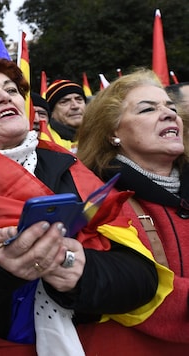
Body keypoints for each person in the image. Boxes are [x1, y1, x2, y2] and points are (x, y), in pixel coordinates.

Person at [0, 57, 172, 355]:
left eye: (12, 90)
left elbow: (143, 278)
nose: (5, 96)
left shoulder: (72, 169)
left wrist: (83, 273)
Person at [77, 69, 189, 343]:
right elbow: (133, 298)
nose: (168, 114)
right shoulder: (98, 204)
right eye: (147, 109)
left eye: (170, 107)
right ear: (113, 133)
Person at [41, 79, 87, 153]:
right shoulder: (43, 141)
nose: (75, 106)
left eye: (79, 99)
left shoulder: (102, 136)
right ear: (51, 112)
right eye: (65, 102)